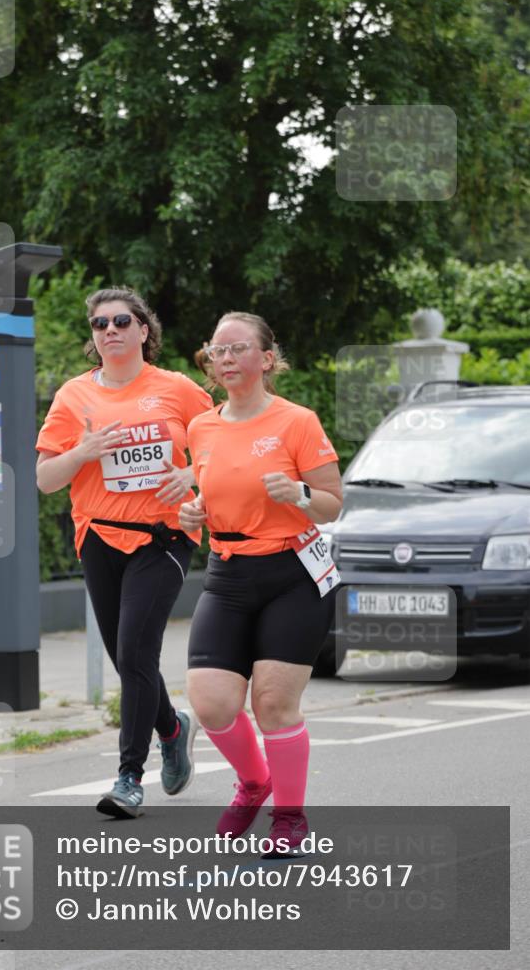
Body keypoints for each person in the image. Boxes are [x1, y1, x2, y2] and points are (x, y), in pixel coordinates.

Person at [36, 287, 212, 817]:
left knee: (136, 652)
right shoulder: (73, 397)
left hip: (164, 537)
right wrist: (82, 451)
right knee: (124, 656)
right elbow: (45, 479)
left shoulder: (176, 389)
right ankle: (173, 728)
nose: (108, 330)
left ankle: (130, 777)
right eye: (98, 324)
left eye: (120, 321)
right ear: (93, 337)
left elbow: (219, 444)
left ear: (143, 330)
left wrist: (192, 475)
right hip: (99, 536)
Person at [179, 311, 343, 850]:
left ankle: (289, 817)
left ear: (266, 359)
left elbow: (332, 504)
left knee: (272, 704)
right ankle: (254, 783)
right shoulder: (201, 425)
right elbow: (211, 490)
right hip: (228, 573)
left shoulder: (297, 421)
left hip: (291, 573)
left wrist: (297, 494)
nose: (225, 358)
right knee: (211, 702)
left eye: (237, 349)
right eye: (217, 350)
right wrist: (195, 513)